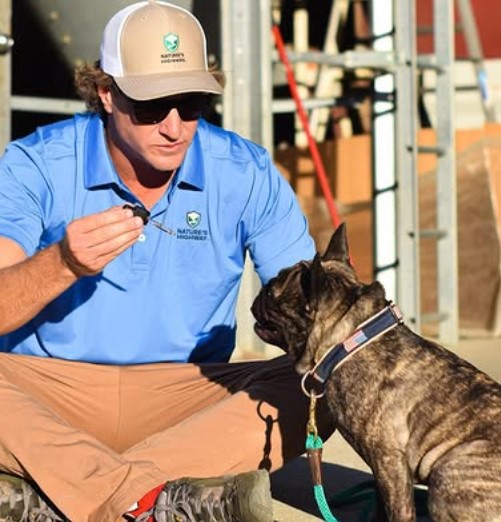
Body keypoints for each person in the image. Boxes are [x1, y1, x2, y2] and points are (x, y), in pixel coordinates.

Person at [0, 1, 334, 521]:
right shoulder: (36, 163)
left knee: (324, 382)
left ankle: (71, 494)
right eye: (152, 106)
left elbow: (321, 316)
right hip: (49, 390)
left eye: (192, 103)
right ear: (106, 95)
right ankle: (158, 499)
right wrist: (62, 262)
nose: (174, 127)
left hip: (188, 396)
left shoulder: (243, 171)